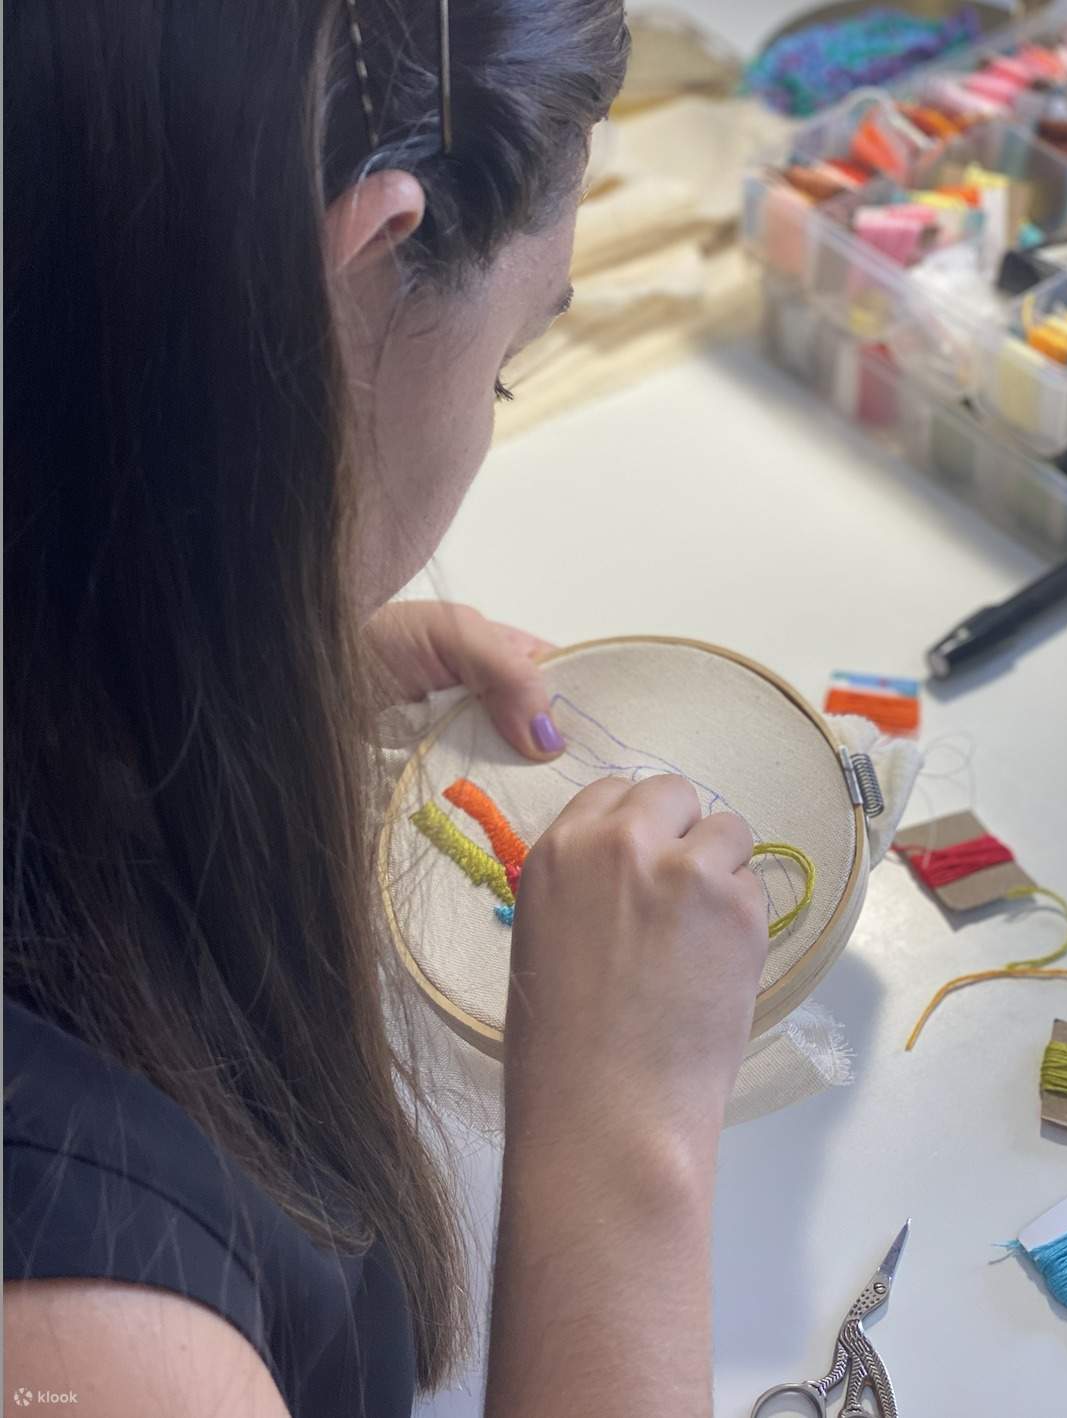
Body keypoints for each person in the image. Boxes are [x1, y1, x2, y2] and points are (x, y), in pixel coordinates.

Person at [4, 3, 768, 1415]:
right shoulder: (87, 1328)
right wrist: (622, 1151)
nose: (480, 413)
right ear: (358, 264)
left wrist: (207, 673)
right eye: (499, 363)